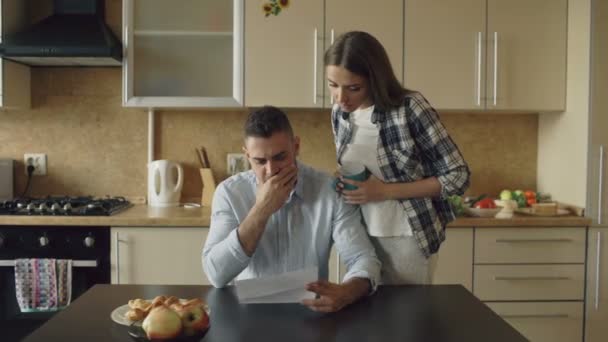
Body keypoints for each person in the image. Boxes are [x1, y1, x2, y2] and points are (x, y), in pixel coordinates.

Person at [324, 31, 470, 285]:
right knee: (359, 320)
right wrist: (344, 180)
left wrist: (384, 191)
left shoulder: (409, 108)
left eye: (353, 88)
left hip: (405, 237)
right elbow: (361, 167)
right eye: (332, 85)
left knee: (404, 319)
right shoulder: (340, 113)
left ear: (374, 79)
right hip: (357, 236)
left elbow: (458, 176)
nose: (340, 98)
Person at [203, 105, 381, 313]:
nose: (271, 171)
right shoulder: (229, 193)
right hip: (248, 313)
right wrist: (262, 209)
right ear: (247, 156)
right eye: (260, 161)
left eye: (280, 157)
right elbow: (216, 274)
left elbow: (363, 258)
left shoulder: (328, 191)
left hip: (311, 311)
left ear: (295, 147)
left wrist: (347, 291)